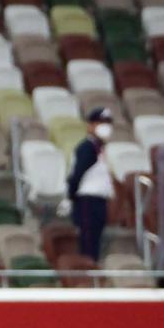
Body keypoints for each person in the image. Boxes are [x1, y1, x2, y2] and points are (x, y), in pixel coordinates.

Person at [61, 108, 115, 261]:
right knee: (88, 245)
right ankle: (87, 279)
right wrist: (70, 197)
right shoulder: (87, 148)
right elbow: (77, 175)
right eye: (100, 123)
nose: (105, 127)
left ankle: (92, 275)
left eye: (107, 123)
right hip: (88, 202)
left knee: (95, 244)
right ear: (90, 126)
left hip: (98, 202)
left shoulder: (100, 148)